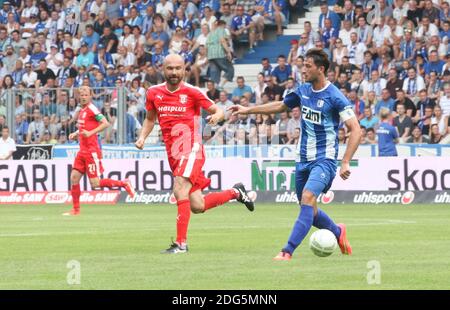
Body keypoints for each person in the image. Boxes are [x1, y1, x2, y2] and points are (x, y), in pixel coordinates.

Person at [229, 49, 361, 261]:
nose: (303, 70)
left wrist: (345, 162)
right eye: (303, 65)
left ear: (321, 69)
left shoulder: (335, 96)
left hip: (324, 160)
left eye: (308, 66)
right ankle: (338, 232)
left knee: (308, 198)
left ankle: (287, 251)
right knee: (309, 209)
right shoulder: (303, 90)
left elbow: (356, 129)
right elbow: (281, 105)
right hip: (302, 160)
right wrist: (247, 110)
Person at [135, 54, 255, 254]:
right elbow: (149, 118)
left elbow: (218, 110)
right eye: (170, 68)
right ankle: (237, 192)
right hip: (173, 153)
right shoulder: (153, 93)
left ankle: (181, 244)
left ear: (184, 70)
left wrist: (216, 117)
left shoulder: (192, 92)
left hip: (191, 148)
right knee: (197, 205)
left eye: (178, 68)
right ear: (163, 70)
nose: (174, 72)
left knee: (179, 188)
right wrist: (142, 137)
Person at [65, 86, 136, 216]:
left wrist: (90, 133)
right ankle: (76, 210)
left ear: (90, 96)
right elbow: (85, 127)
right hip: (82, 151)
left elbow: (105, 123)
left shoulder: (92, 109)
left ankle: (124, 184)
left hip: (92, 151)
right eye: (81, 94)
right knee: (74, 178)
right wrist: (76, 133)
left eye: (86, 94)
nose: (83, 96)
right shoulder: (82, 110)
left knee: (95, 184)